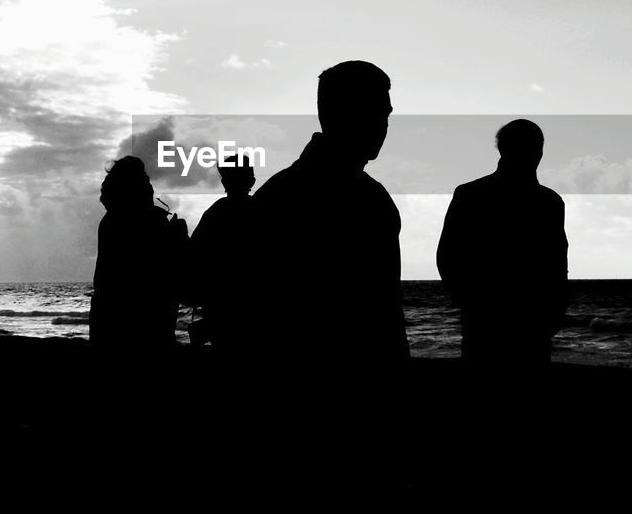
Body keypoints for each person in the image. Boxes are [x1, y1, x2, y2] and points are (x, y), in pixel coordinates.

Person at [230, 60, 409, 364]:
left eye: (387, 114)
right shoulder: (285, 198)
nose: (384, 124)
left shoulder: (370, 195)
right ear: (342, 112)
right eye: (377, 111)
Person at [436, 119, 568, 365]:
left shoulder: (549, 202)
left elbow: (557, 263)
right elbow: (448, 257)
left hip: (522, 324)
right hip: (497, 322)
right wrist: (472, 304)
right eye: (532, 146)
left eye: (536, 146)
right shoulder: (547, 202)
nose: (536, 153)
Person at [90, 155, 189, 358]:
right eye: (145, 180)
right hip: (148, 322)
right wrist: (179, 236)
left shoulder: (110, 220)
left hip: (109, 320)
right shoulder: (150, 221)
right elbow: (166, 266)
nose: (150, 185)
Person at [186, 154, 257, 347]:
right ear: (251, 180)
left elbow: (192, 254)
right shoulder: (263, 210)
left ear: (224, 181)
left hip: (219, 305)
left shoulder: (214, 213)